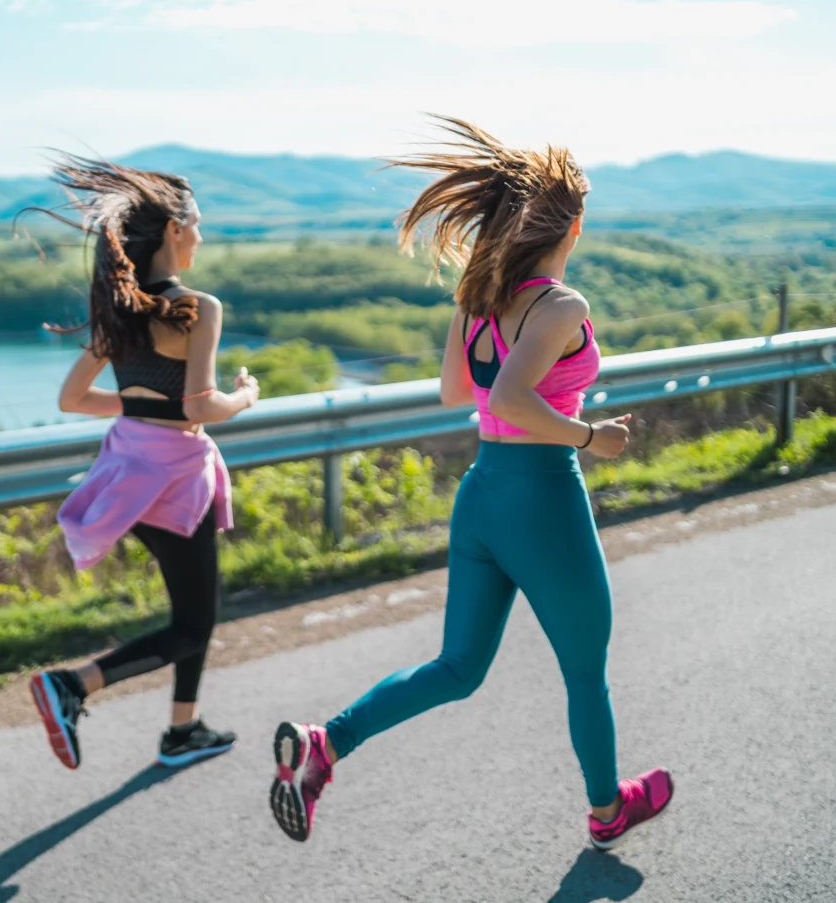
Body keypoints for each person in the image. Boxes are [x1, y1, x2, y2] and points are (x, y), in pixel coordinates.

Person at [270, 118, 672, 848]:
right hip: (543, 497)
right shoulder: (562, 305)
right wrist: (592, 436)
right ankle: (608, 810)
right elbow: (513, 398)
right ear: (572, 227)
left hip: (482, 494)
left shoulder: (477, 299)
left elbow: (457, 391)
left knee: (457, 667)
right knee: (586, 671)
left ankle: (329, 741)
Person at [24, 156, 259, 770]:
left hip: (129, 472)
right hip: (178, 477)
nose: (201, 237)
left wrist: (141, 402)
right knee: (194, 624)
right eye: (197, 225)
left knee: (193, 611)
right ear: (175, 230)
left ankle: (184, 730)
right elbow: (201, 404)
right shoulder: (199, 307)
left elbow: (73, 399)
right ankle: (71, 686)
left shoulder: (121, 311)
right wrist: (245, 395)